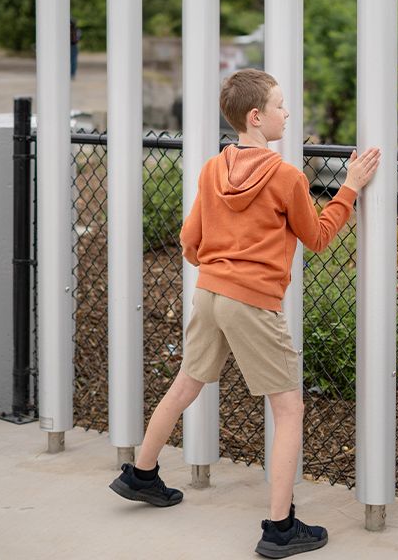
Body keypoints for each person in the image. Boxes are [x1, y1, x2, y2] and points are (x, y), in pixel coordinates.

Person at [109, 68, 380, 558]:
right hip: (251, 302)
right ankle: (279, 529)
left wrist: (217, 266)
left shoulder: (213, 168)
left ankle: (141, 474)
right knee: (288, 408)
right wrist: (350, 189)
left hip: (209, 293)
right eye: (280, 106)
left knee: (187, 382)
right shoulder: (287, 176)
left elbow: (189, 242)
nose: (287, 113)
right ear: (257, 117)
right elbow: (317, 238)